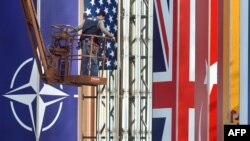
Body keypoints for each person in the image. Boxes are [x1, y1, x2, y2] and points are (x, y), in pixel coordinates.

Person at [71, 11, 115, 76]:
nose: (103, 19)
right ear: (102, 16)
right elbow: (103, 30)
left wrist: (70, 30)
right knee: (94, 60)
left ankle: (84, 75)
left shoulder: (87, 19)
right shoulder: (100, 21)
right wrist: (111, 36)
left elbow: (78, 28)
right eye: (103, 18)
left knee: (85, 59)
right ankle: (94, 76)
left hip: (84, 42)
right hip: (92, 43)